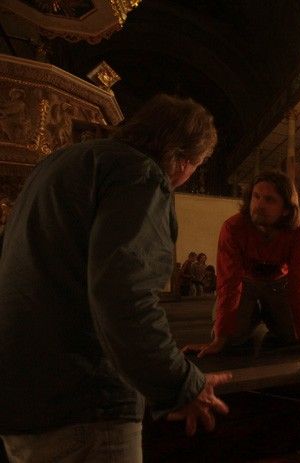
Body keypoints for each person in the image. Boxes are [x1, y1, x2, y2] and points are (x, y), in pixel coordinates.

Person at [0, 94, 232, 461]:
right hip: (83, 401)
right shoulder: (138, 174)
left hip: (22, 398)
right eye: (197, 166)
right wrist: (180, 383)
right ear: (183, 160)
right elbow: (125, 295)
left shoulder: (61, 164)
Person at [184, 171, 300, 357]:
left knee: (294, 337)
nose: (259, 205)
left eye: (270, 200)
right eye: (256, 196)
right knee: (231, 339)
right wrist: (219, 339)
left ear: (286, 209)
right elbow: (228, 283)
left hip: (278, 285)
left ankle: (269, 313)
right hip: (245, 284)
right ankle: (253, 313)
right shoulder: (233, 227)